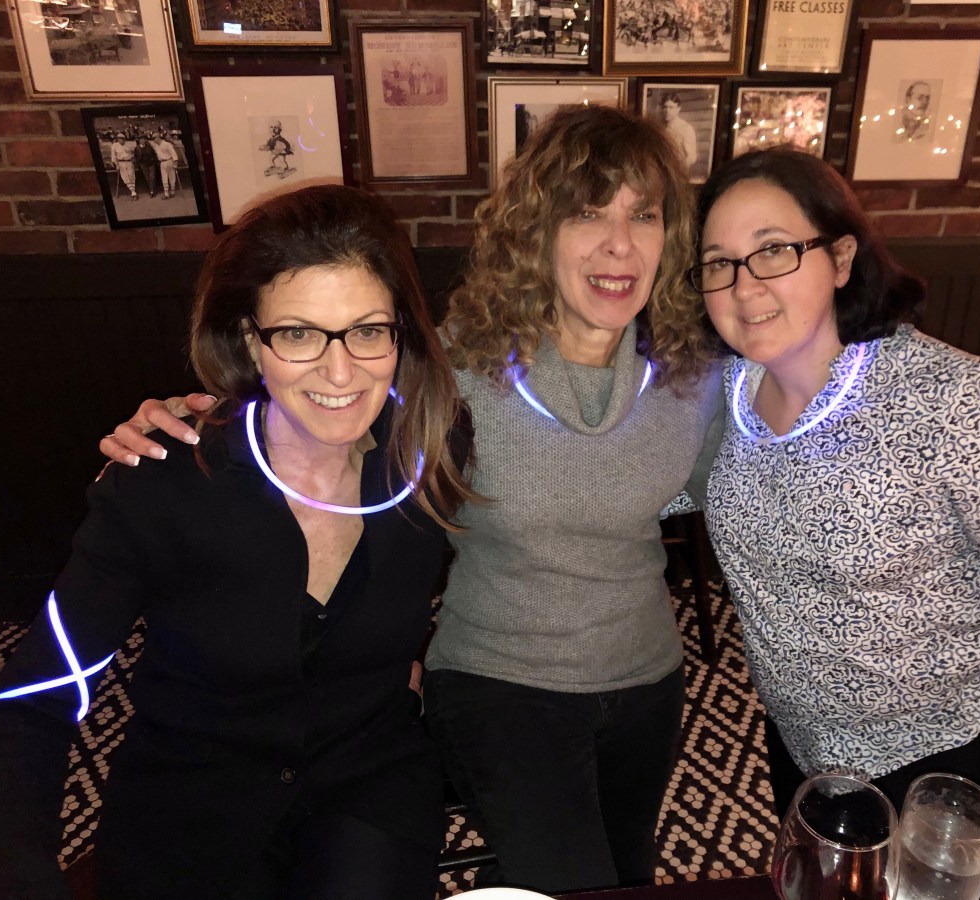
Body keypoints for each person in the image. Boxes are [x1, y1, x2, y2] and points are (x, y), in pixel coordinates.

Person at [96, 105, 725, 894]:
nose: (619, 245)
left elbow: (724, 487)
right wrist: (194, 419)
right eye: (586, 213)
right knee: (576, 884)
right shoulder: (452, 370)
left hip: (648, 677)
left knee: (629, 879)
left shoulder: (694, 375)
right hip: (501, 681)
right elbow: (319, 404)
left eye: (644, 215)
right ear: (535, 230)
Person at [0, 184, 475, 900]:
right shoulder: (164, 482)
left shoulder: (431, 452)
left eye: (367, 330)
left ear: (400, 333)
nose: (340, 371)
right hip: (193, 798)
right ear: (248, 340)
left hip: (368, 785)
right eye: (298, 334)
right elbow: (33, 700)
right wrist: (17, 877)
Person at [687, 148, 980, 849]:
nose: (744, 286)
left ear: (840, 258)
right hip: (802, 754)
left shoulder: (960, 402)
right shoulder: (720, 396)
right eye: (719, 263)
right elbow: (639, 489)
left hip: (952, 761)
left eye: (773, 250)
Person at [659, 91, 698, 170]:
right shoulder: (660, 127)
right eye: (665, 107)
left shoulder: (686, 128)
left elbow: (692, 156)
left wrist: (679, 169)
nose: (667, 111)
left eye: (671, 107)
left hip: (678, 171)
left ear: (678, 109)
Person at [109, 131, 136, 200]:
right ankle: (133, 191)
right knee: (125, 177)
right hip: (121, 163)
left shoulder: (128, 145)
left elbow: (133, 154)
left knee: (131, 176)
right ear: (118, 139)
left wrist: (131, 154)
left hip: (129, 162)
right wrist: (116, 164)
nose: (121, 140)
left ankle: (133, 191)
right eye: (119, 139)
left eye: (123, 139)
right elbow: (113, 156)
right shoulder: (114, 146)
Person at [153, 130, 179, 199]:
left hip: (169, 161)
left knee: (172, 177)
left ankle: (172, 192)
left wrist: (175, 163)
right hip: (162, 162)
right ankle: (166, 194)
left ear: (158, 137)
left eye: (154, 138)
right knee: (164, 178)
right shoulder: (156, 146)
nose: (153, 140)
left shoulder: (167, 144)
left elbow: (173, 153)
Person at [133, 131, 159, 198]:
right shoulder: (137, 148)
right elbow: (136, 157)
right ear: (139, 140)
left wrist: (153, 160)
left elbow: (154, 154)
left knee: (152, 177)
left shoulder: (149, 147)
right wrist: (138, 164)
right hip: (143, 165)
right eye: (141, 139)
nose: (142, 141)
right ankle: (151, 189)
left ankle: (152, 191)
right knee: (147, 178)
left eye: (143, 139)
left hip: (151, 164)